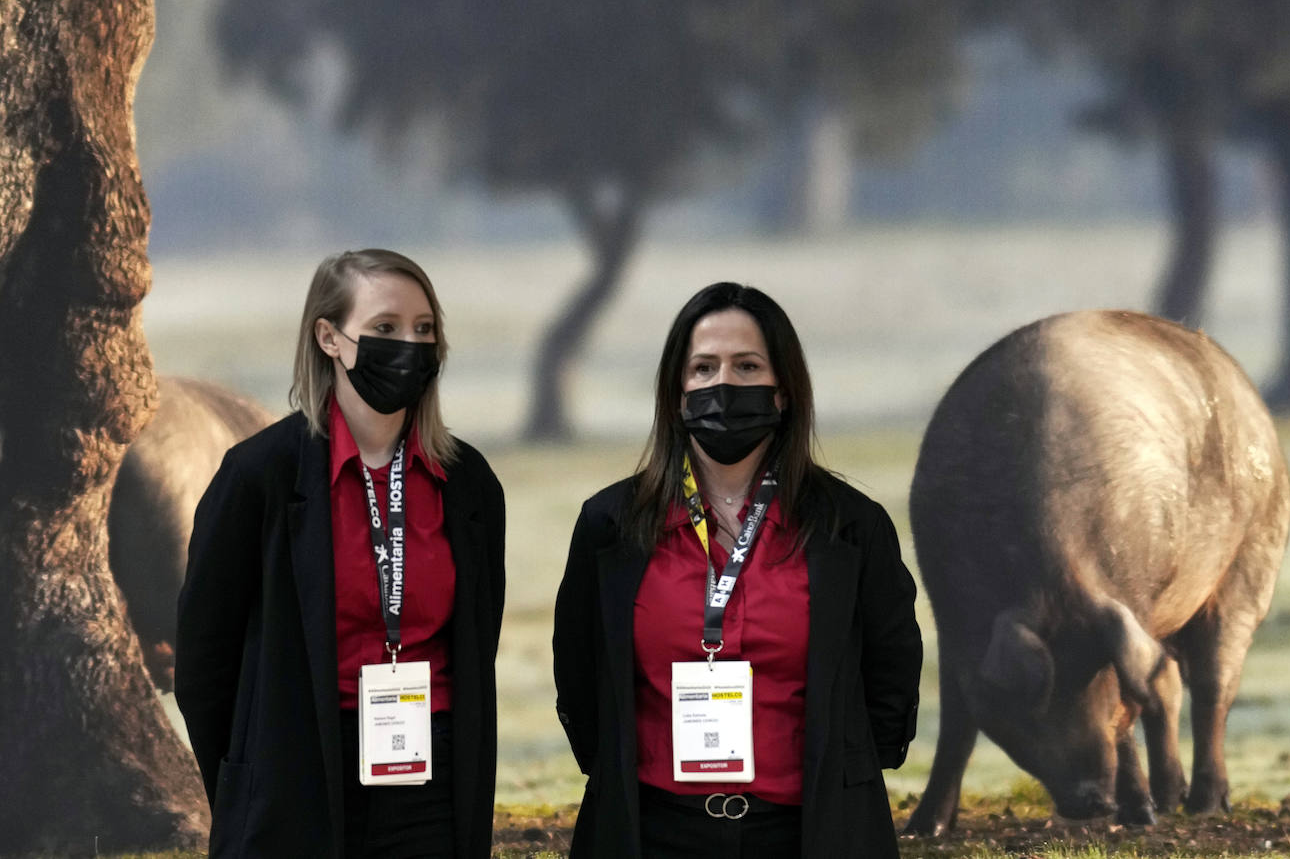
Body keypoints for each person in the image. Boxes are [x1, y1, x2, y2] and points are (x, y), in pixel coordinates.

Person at [552, 282, 923, 859]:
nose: (723, 384)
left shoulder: (851, 527)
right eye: (703, 367)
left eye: (748, 366)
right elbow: (578, 675)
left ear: (783, 393)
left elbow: (891, 676)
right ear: (677, 393)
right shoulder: (610, 524)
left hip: (809, 831)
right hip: (652, 831)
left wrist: (843, 774)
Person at [175, 249, 505, 859]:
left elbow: (477, 643)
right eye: (385, 329)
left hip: (430, 786)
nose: (410, 344)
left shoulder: (469, 483)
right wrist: (248, 781)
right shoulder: (259, 475)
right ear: (329, 336)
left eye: (424, 329)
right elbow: (203, 663)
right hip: (294, 776)